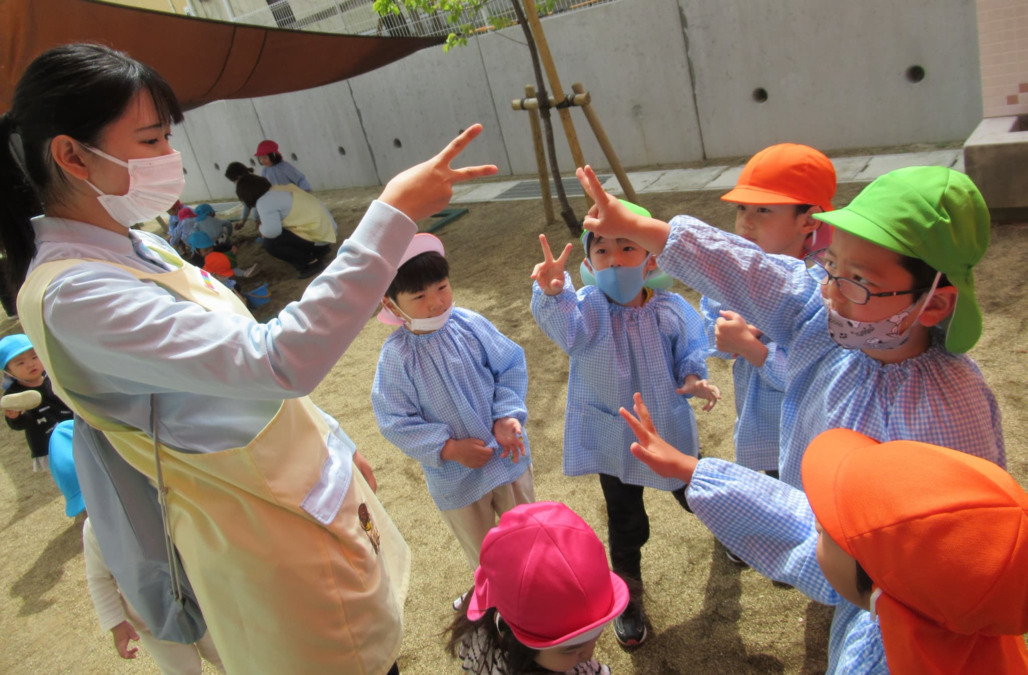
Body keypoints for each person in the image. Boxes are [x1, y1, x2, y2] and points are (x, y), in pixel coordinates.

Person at [0, 42, 496, 674]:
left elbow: (237, 365)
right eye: (152, 141)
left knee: (375, 649)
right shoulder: (76, 295)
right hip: (264, 543)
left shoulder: (131, 250)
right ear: (71, 155)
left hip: (296, 500)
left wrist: (334, 443)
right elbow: (277, 359)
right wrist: (392, 216)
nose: (170, 159)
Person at [576, 164, 1005, 672]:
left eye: (860, 281)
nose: (829, 291)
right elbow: (760, 276)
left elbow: (856, 557)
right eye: (831, 267)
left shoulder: (942, 415)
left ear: (933, 304)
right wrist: (648, 230)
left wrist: (699, 474)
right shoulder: (834, 323)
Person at [620, 400, 1028, 673]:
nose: (812, 520)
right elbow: (792, 519)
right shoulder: (927, 599)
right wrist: (693, 470)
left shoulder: (868, 662)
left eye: (825, 526)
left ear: (874, 576)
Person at [530, 202, 720, 648]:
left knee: (694, 490)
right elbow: (566, 332)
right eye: (602, 251)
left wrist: (693, 378)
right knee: (624, 519)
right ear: (590, 261)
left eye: (626, 247)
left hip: (665, 430)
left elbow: (689, 349)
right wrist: (554, 294)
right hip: (614, 437)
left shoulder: (669, 309)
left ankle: (733, 533)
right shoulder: (587, 308)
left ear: (650, 257)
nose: (613, 259)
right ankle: (628, 595)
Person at [371, 233, 535, 574]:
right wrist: (449, 449)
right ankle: (496, 609)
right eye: (419, 295)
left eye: (442, 287)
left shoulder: (469, 324)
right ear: (390, 303)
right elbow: (394, 420)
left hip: (506, 455)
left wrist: (507, 415)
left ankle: (539, 596)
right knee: (486, 558)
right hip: (457, 477)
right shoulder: (397, 357)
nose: (436, 302)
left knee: (530, 538)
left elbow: (509, 364)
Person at [703, 143, 836, 484]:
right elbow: (713, 339)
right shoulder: (735, 271)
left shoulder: (825, 284)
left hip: (813, 430)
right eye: (742, 207)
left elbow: (815, 373)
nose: (745, 221)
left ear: (808, 220)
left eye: (763, 210)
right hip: (763, 426)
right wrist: (728, 335)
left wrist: (754, 349)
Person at [49, 420, 226, 674]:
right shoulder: (94, 531)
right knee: (182, 670)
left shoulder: (157, 499)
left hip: (197, 597)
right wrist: (116, 623)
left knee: (224, 656)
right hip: (150, 618)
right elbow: (99, 579)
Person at [447, 501, 629, 674]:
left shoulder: (488, 610)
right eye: (569, 649)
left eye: (595, 636)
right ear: (508, 635)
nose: (589, 654)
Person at [235, 172, 336, 278]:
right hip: (327, 232)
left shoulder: (264, 202)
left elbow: (272, 232)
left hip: (318, 236)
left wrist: (261, 229)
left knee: (271, 243)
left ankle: (312, 263)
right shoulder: (279, 189)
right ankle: (319, 251)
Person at [0, 333, 73, 471]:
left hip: (75, 431)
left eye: (34, 357)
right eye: (20, 363)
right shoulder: (15, 395)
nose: (30, 364)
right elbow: (21, 424)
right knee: (70, 475)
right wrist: (15, 417)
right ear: (8, 371)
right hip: (48, 443)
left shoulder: (53, 375)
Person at [224, 161, 259, 230]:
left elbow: (248, 205)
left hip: (268, 212)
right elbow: (247, 204)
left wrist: (243, 222)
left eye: (234, 180)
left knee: (255, 214)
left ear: (239, 177)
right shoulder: (255, 180)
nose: (234, 183)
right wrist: (242, 222)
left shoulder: (251, 186)